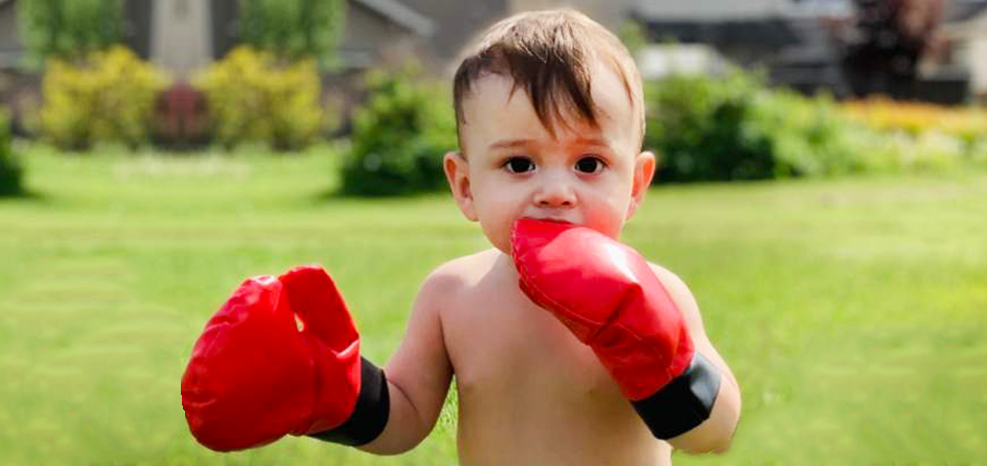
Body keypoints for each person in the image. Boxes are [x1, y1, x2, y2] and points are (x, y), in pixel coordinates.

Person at [180, 9, 742, 465]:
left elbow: (712, 435)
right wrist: (330, 393)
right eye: (520, 163)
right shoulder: (453, 295)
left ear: (636, 185)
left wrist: (667, 366)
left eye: (589, 164)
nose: (556, 191)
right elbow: (404, 419)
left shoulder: (657, 293)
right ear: (466, 186)